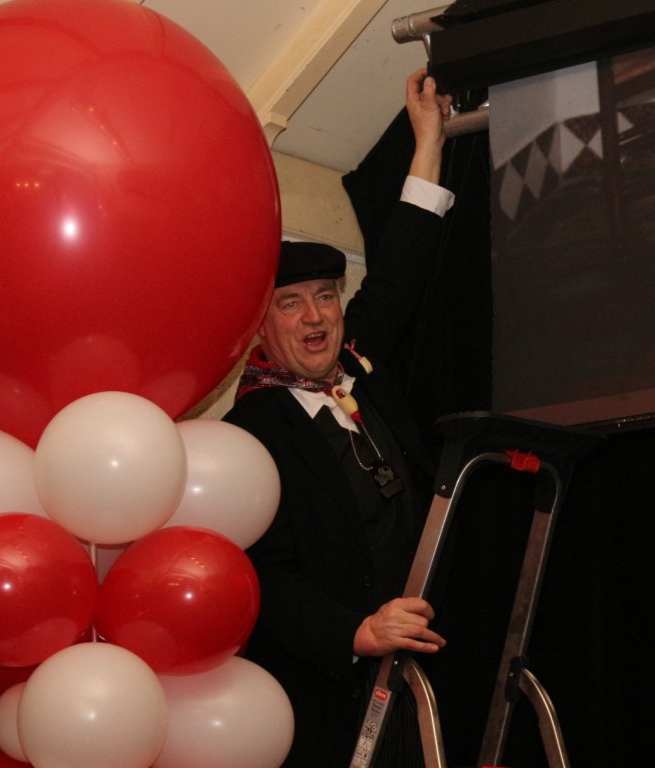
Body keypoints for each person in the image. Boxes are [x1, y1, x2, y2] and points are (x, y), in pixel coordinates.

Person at [223, 68, 455, 767]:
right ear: (260, 324)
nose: (315, 317)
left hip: (421, 674)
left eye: (325, 296)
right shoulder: (250, 434)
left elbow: (403, 263)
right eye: (291, 303)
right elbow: (261, 578)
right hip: (331, 698)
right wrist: (358, 632)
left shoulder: (359, 364)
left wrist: (428, 139)